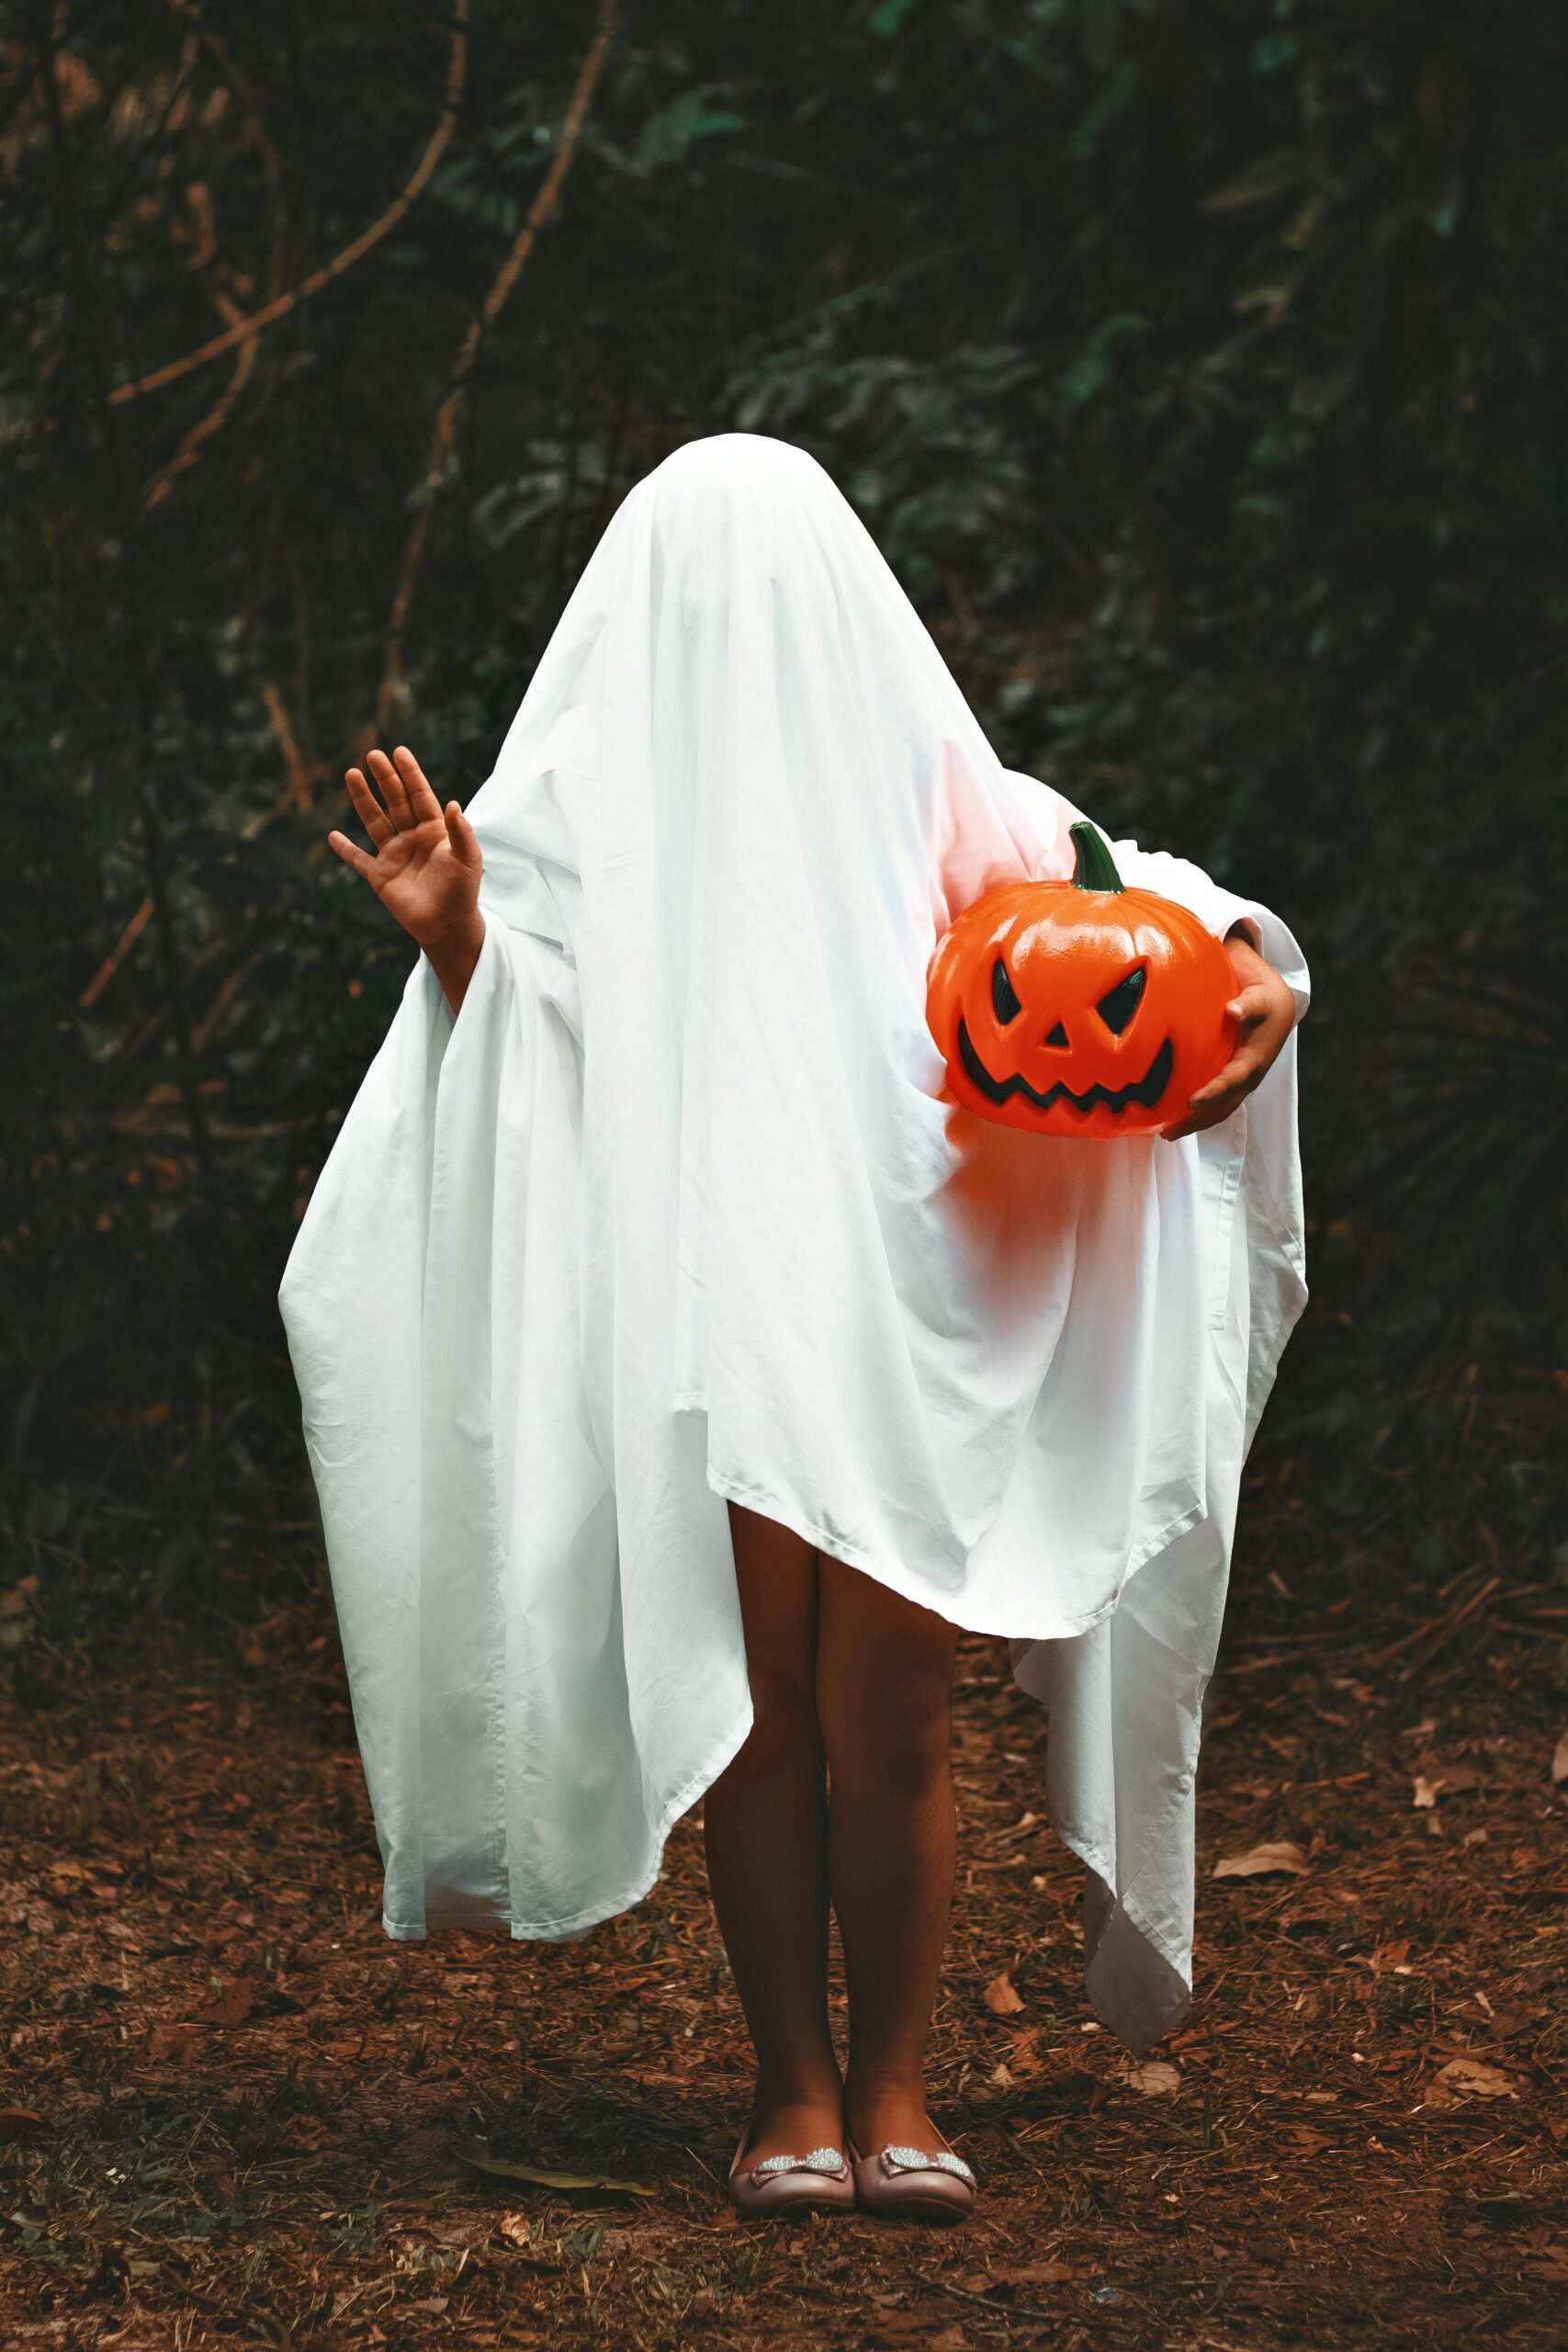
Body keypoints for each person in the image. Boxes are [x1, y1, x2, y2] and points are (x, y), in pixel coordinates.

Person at [278, 433, 1306, 2223]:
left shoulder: (926, 779)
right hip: (724, 1305)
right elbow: (544, 1019)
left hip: (906, 1306)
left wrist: (1235, 976)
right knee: (759, 1708)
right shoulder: (598, 802)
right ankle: (788, 2088)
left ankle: (896, 2085)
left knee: (888, 1699)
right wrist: (460, 935)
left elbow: (1102, 903)